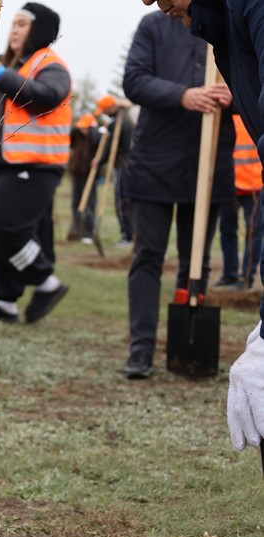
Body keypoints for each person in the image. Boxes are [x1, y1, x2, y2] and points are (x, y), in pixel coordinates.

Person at [120, 10, 235, 380]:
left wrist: (236, 93)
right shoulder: (154, 26)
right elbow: (135, 81)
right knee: (148, 255)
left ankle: (187, 344)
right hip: (155, 160)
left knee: (196, 259)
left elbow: (254, 79)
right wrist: (184, 95)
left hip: (208, 162)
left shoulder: (229, 24)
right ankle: (141, 349)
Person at [0, 3, 71, 325]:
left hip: (38, 164)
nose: (13, 30)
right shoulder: (21, 65)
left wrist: (0, 73)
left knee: (5, 229)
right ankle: (6, 302)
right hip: (10, 162)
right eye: (12, 24)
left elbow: (46, 97)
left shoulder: (49, 64)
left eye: (22, 24)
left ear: (39, 29)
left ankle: (46, 281)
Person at [215, 113, 263, 289]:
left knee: (253, 233)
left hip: (253, 185)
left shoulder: (253, 113)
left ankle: (246, 277)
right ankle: (229, 274)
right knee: (227, 230)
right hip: (230, 183)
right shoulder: (226, 118)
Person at [93, 94, 136, 246]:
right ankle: (130, 235)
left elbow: (110, 147)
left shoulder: (119, 122)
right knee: (127, 201)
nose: (104, 113)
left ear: (111, 108)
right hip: (130, 165)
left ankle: (127, 236)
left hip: (124, 166)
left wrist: (100, 160)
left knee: (122, 200)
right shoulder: (125, 118)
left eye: (104, 110)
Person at [67, 113, 102, 243]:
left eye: (85, 128)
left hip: (90, 175)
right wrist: (78, 127)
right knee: (76, 203)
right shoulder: (77, 136)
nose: (83, 130)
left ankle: (88, 232)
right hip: (77, 173)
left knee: (90, 204)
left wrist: (93, 128)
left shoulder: (95, 138)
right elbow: (70, 133)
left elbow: (98, 139)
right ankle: (76, 230)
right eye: (81, 128)